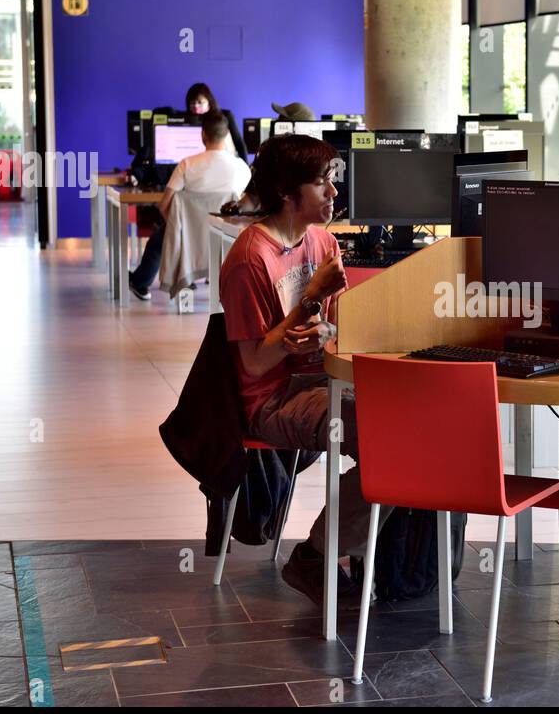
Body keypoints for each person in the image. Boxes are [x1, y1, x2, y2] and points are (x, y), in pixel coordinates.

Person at [219, 134, 390, 603]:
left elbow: (334, 329)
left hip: (324, 380)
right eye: (322, 183)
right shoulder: (250, 259)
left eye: (333, 180)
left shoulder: (323, 241)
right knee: (390, 440)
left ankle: (380, 560)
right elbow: (253, 364)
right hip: (273, 399)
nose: (334, 193)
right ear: (287, 193)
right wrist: (312, 296)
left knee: (412, 424)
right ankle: (316, 556)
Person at [129, 111, 251, 300]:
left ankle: (140, 282)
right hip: (227, 238)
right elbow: (245, 205)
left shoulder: (186, 164)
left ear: (202, 135)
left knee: (160, 237)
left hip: (187, 237)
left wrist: (178, 227)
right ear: (227, 135)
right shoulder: (242, 167)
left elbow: (164, 206)